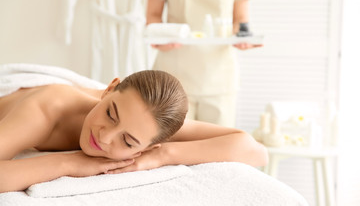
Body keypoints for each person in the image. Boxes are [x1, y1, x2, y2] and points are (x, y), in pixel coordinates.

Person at [0, 69, 267, 193]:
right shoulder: (46, 109)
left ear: (149, 145)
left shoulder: (149, 124)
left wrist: (162, 156)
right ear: (109, 89)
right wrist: (68, 162)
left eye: (127, 142)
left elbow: (254, 151)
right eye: (110, 114)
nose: (104, 136)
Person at [146, 0, 263, 128]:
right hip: (173, 72)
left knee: (218, 149)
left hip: (219, 75)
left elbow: (240, 19)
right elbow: (153, 15)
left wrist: (241, 37)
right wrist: (159, 38)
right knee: (171, 148)